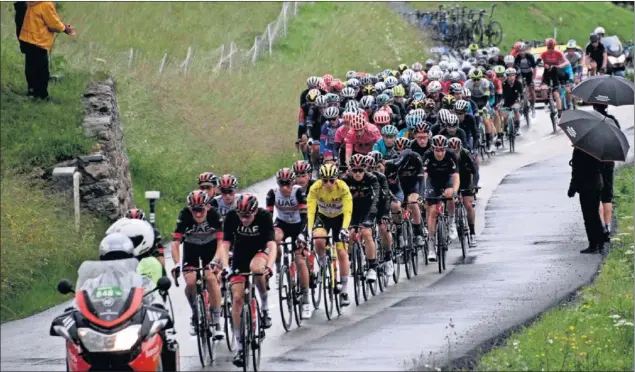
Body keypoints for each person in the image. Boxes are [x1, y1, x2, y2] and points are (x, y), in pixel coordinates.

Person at [223, 194, 276, 367]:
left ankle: (265, 306)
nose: (244, 219)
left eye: (248, 216)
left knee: (256, 269)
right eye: (241, 216)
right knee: (237, 298)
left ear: (255, 212)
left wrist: (270, 265)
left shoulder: (264, 217)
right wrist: (225, 267)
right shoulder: (232, 217)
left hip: (259, 251)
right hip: (239, 256)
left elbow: (272, 245)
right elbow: (225, 244)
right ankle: (239, 347)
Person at [170, 190, 226, 337]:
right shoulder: (184, 215)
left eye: (201, 210)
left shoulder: (214, 214)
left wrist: (215, 261)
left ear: (207, 207)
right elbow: (175, 243)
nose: (198, 214)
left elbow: (221, 243)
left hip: (211, 247)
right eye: (194, 210)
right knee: (190, 282)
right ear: (190, 209)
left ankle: (216, 320)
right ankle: (196, 315)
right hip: (192, 248)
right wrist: (176, 263)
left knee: (211, 278)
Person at [265, 168, 312, 319]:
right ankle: (279, 270)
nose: (285, 187)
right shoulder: (273, 194)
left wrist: (302, 234)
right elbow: (268, 218)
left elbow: (305, 218)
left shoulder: (298, 192)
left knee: (299, 260)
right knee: (274, 238)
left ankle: (305, 299)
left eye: (288, 184)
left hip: (298, 225)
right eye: (281, 184)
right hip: (283, 224)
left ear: (293, 183)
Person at [306, 163, 353, 306]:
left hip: (339, 219)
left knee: (342, 252)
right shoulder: (315, 188)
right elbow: (311, 211)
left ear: (336, 179)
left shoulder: (343, 188)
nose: (328, 184)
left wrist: (345, 228)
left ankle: (344, 290)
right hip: (323, 217)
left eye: (331, 180)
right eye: (324, 180)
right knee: (318, 239)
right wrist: (309, 230)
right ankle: (322, 262)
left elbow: (348, 211)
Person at [19, 1, 75, 100]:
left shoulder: (31, 2)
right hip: (39, 42)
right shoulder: (46, 4)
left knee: (31, 67)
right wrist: (65, 28)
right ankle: (42, 95)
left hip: (27, 39)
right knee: (42, 71)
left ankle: (31, 91)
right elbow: (53, 24)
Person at [341, 154, 381, 282]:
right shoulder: (345, 180)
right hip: (351, 211)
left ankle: (372, 267)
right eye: (355, 170)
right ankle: (352, 259)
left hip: (367, 210)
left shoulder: (372, 179)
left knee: (366, 233)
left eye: (360, 171)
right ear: (350, 170)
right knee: (350, 234)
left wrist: (372, 214)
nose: (358, 174)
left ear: (365, 169)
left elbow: (376, 199)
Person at [422, 135, 460, 262]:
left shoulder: (450, 155)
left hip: (446, 179)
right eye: (437, 150)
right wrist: (423, 192)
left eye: (442, 150)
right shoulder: (427, 156)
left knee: (450, 195)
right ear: (433, 149)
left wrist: (454, 191)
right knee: (432, 211)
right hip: (433, 181)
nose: (440, 153)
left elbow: (455, 176)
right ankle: (431, 245)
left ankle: (451, 222)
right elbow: (425, 176)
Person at [567, 148, 605, 254]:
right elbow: (602, 166)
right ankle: (601, 240)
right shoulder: (597, 149)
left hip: (586, 187)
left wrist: (572, 189)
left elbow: (576, 172)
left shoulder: (579, 150)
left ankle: (593, 244)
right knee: (594, 214)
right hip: (597, 185)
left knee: (588, 217)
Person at [593, 103, 620, 240]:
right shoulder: (612, 121)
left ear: (593, 106)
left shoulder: (590, 121)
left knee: (596, 195)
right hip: (608, 161)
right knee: (607, 196)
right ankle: (607, 226)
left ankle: (600, 227)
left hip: (593, 163)